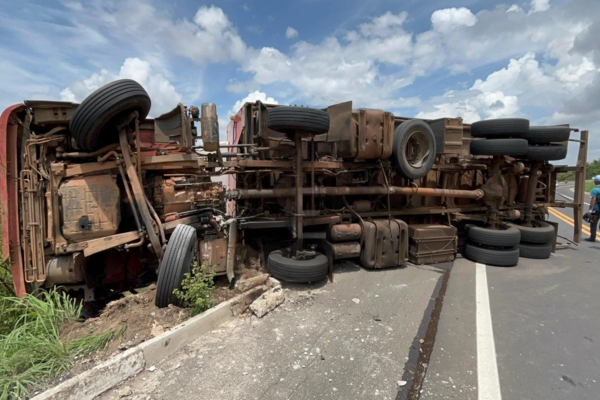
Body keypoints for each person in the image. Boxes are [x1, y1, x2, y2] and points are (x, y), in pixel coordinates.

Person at [585, 175, 600, 242]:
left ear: (596, 181)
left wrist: (590, 209)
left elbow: (593, 200)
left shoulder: (595, 189)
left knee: (593, 222)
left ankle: (592, 237)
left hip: (596, 209)